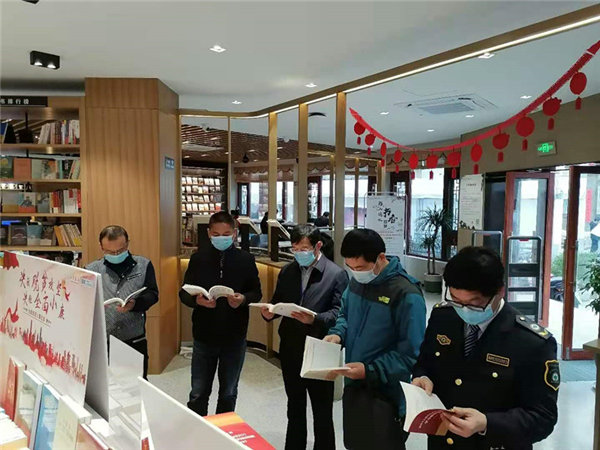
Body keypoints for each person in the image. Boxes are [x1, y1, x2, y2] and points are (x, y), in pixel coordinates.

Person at [411, 246, 559, 450]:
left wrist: (487, 424)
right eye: (456, 300)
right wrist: (421, 377)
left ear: (500, 292)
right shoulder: (443, 317)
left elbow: (543, 417)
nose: (464, 310)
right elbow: (424, 362)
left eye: (474, 304)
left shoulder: (531, 342)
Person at [324, 229, 426, 450]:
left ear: (381, 257)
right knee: (355, 443)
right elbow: (345, 314)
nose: (355, 272)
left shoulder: (406, 293)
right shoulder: (356, 282)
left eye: (360, 268)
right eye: (350, 267)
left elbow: (411, 353)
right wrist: (338, 333)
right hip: (354, 385)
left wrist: (370, 370)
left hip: (386, 393)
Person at [261, 225, 348, 450]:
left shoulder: (336, 274)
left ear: (318, 246)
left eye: (304, 249)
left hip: (320, 348)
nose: (300, 253)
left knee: (322, 409)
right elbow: (278, 301)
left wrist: (315, 319)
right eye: (295, 249)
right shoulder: (288, 271)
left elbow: (340, 313)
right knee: (295, 405)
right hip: (291, 346)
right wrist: (269, 313)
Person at [179, 211, 262, 416]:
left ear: (234, 234)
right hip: (204, 335)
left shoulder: (246, 259)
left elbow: (256, 292)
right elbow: (184, 292)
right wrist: (197, 301)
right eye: (216, 234)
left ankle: (223, 432)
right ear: (209, 233)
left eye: (226, 234)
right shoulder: (198, 259)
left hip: (234, 336)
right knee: (198, 392)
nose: (221, 238)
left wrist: (243, 299)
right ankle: (197, 430)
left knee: (228, 392)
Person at [86, 225, 159, 379]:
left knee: (136, 386)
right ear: (101, 247)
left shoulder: (143, 265)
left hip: (134, 337)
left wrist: (135, 304)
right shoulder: (92, 269)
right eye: (110, 252)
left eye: (120, 251)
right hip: (104, 340)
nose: (115, 255)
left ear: (127, 244)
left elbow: (152, 295)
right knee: (107, 387)